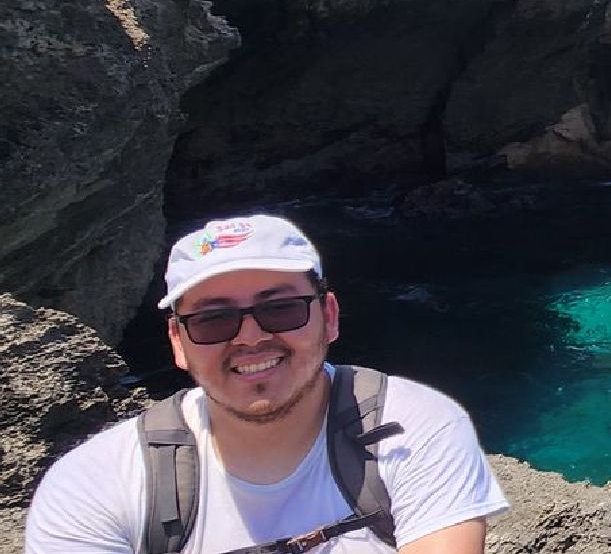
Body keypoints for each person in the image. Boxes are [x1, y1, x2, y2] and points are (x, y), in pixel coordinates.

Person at [26, 215, 509, 554]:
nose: (252, 337)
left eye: (280, 308)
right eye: (214, 320)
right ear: (178, 341)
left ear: (329, 316)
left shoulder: (414, 429)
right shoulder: (94, 485)